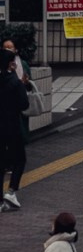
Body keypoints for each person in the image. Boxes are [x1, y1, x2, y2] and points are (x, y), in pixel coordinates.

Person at [0, 35, 32, 208]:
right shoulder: (14, 82)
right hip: (13, 126)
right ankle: (11, 191)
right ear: (10, 63)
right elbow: (24, 104)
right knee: (19, 159)